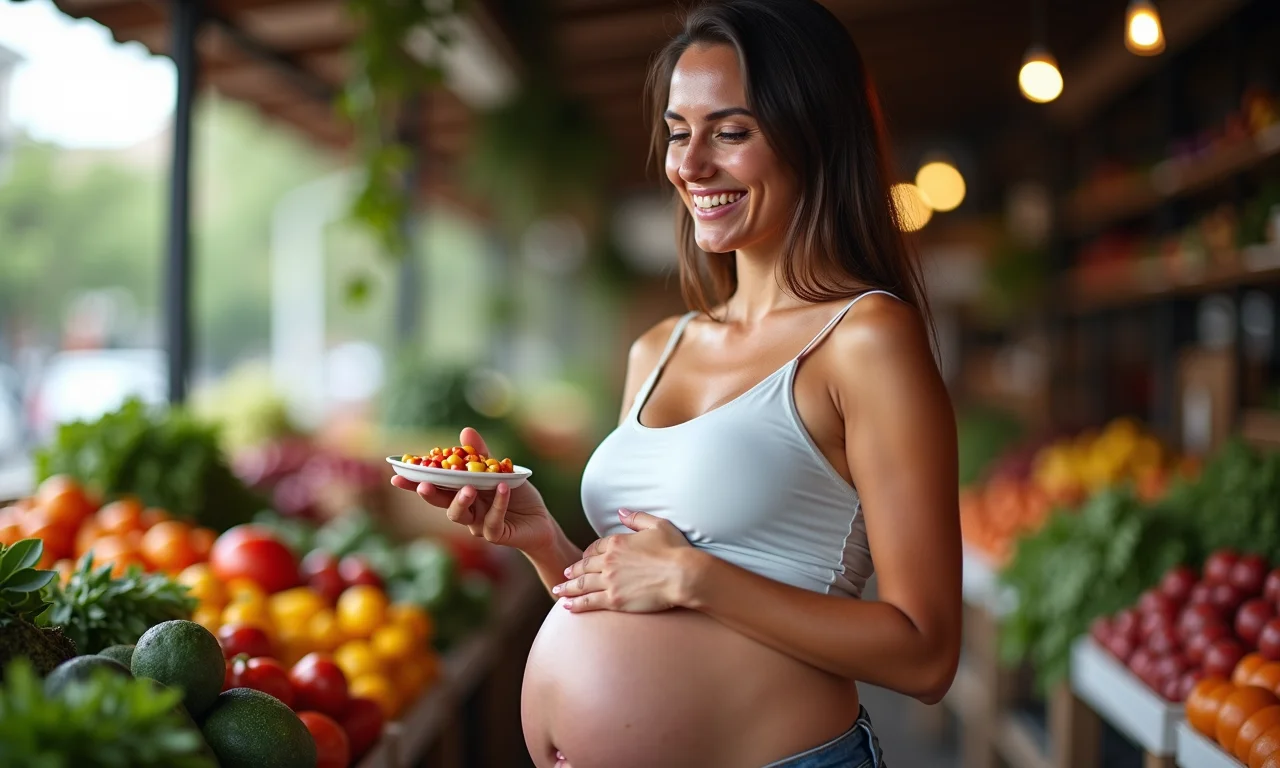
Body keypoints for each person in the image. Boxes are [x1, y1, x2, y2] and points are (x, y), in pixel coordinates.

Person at [391, 1, 961, 765]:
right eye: (679, 132)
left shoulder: (865, 339)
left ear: (814, 136)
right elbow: (639, 586)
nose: (689, 166)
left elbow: (926, 656)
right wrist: (545, 541)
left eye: (730, 132)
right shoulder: (659, 346)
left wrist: (698, 577)